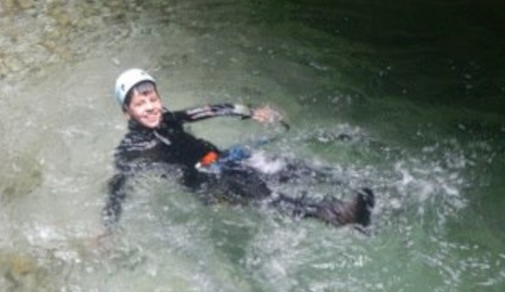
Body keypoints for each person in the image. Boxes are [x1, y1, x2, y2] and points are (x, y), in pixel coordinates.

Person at [103, 68, 374, 229]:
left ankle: (352, 185)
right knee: (261, 189)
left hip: (224, 159)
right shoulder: (132, 148)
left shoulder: (169, 118)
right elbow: (117, 186)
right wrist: (108, 229)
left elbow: (210, 110)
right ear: (127, 112)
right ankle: (338, 215)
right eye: (140, 103)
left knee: (284, 167)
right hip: (209, 185)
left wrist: (251, 112)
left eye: (153, 99)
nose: (150, 107)